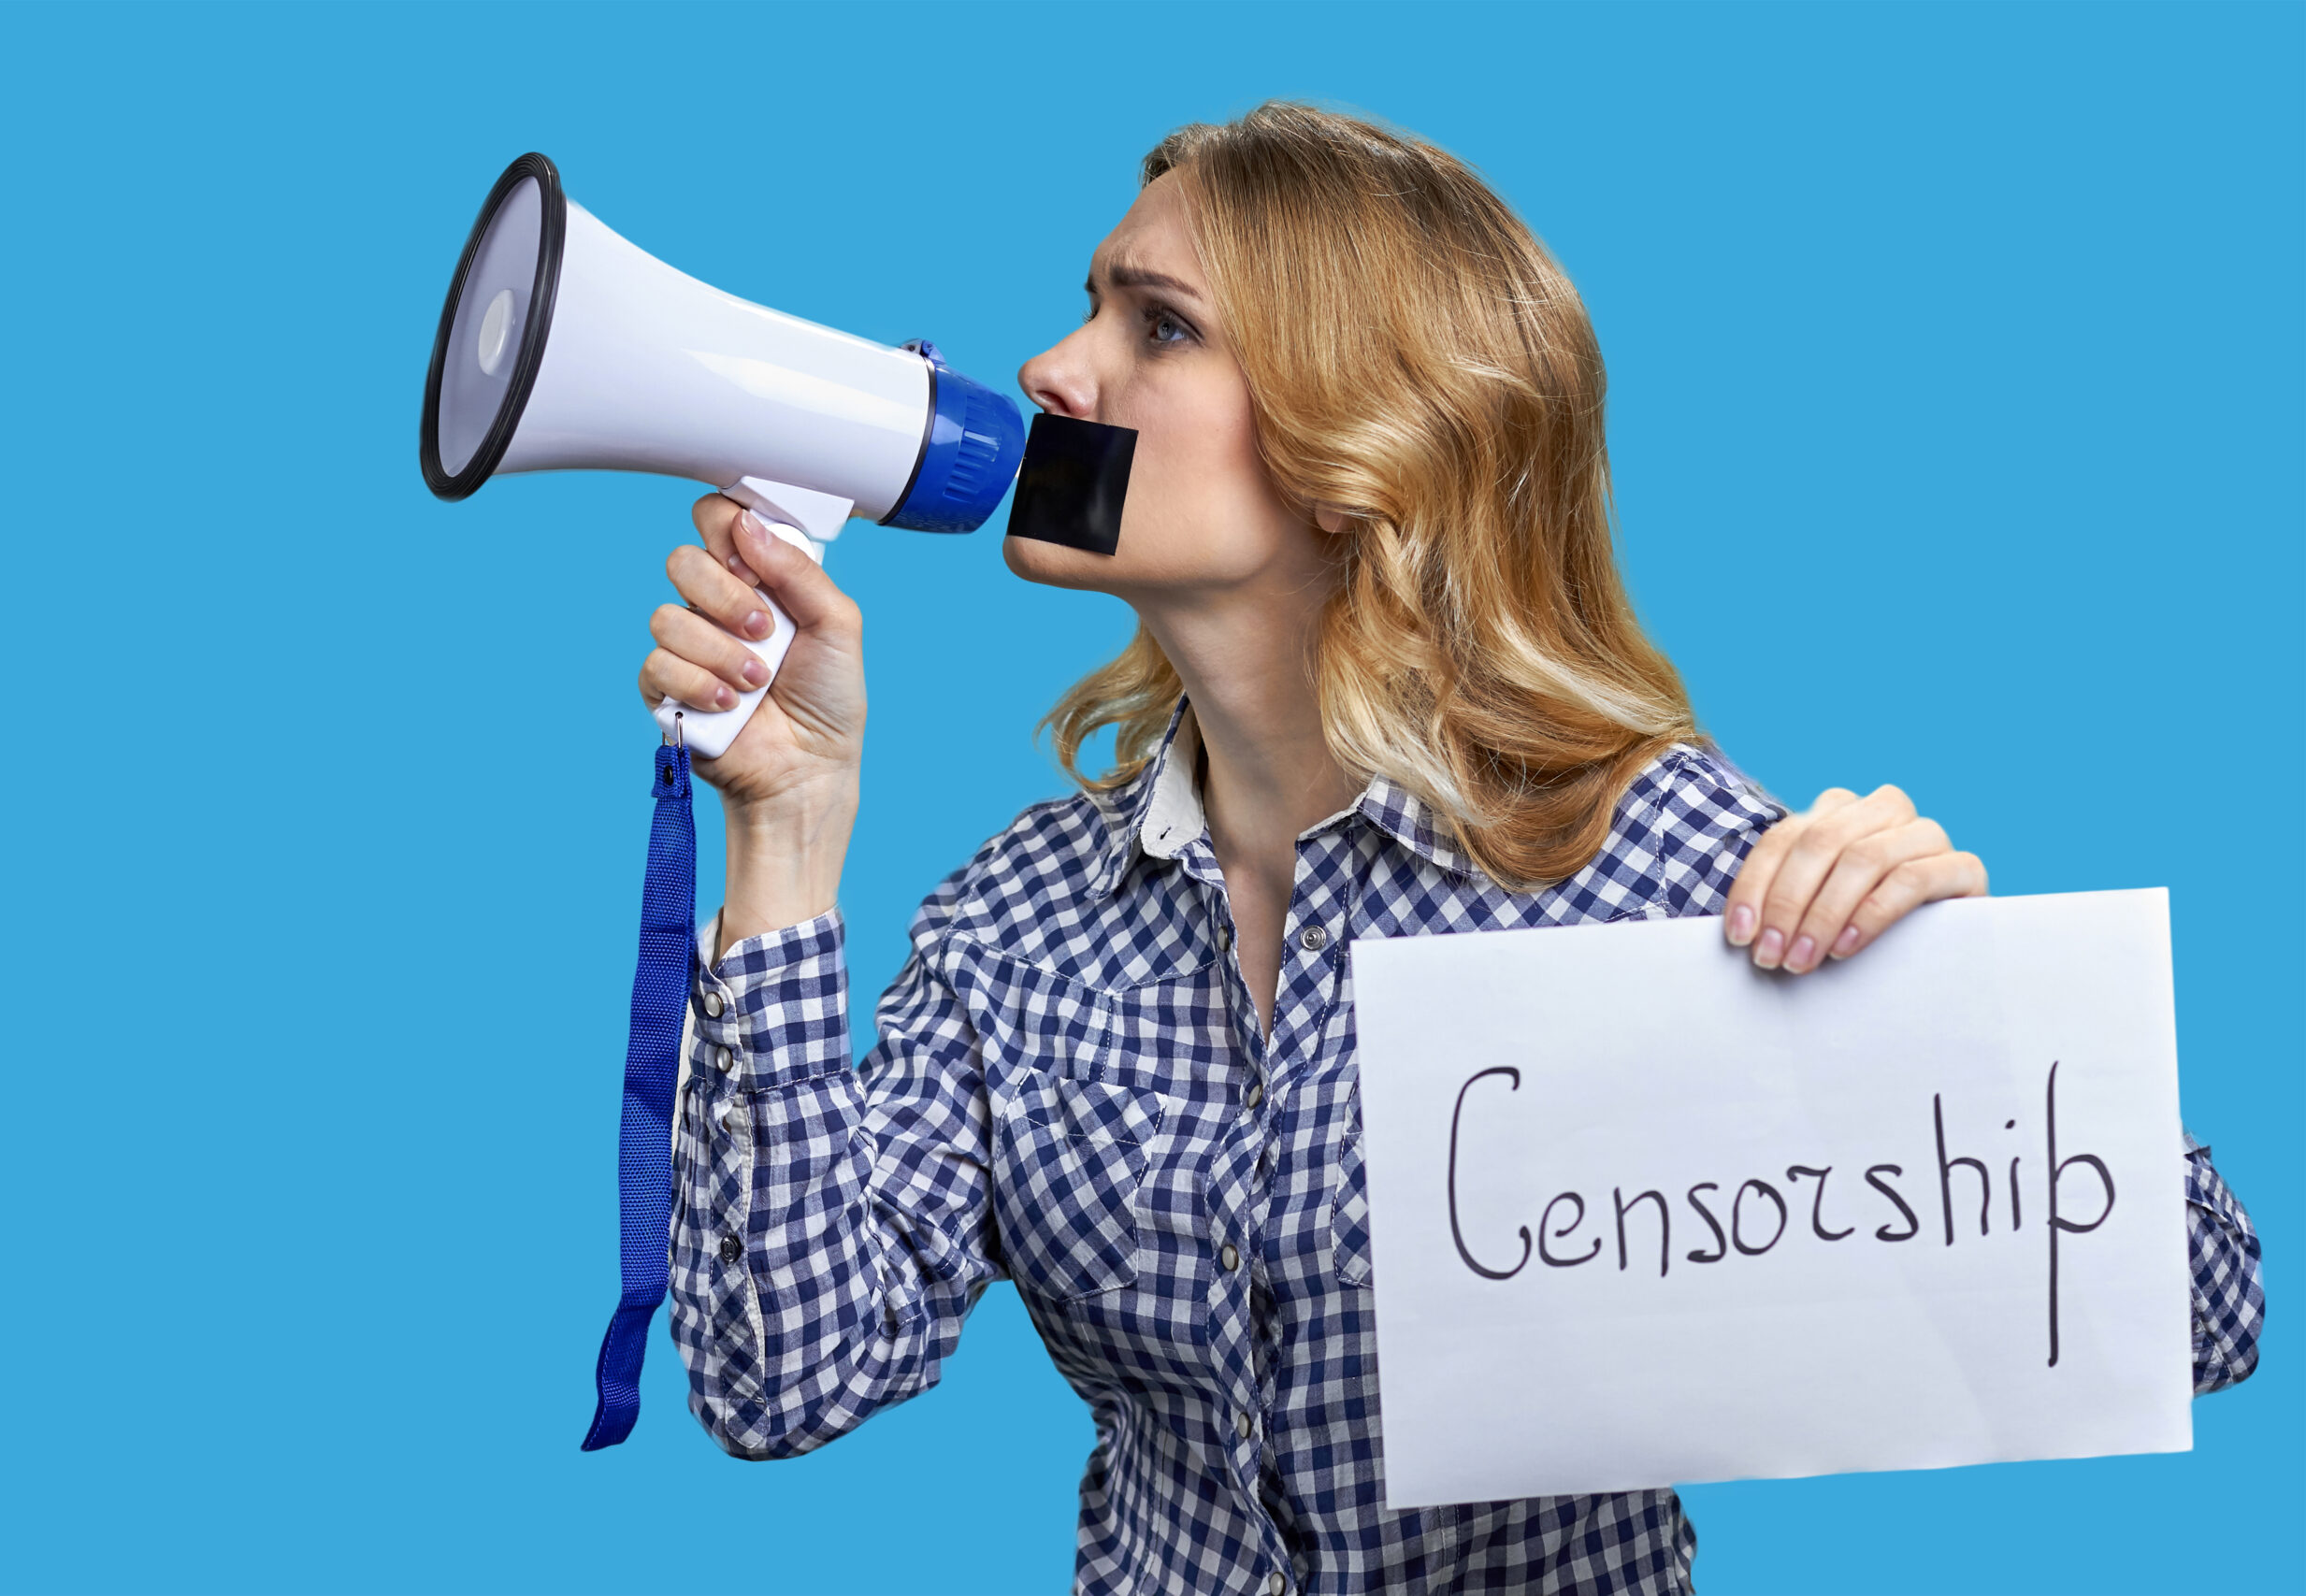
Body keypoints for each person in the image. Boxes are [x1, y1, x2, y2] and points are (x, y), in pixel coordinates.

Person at [634, 104, 2263, 1596]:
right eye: (1092, 306)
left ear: (1365, 449)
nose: (1057, 370)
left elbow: (2202, 1311)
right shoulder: (1021, 919)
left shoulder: (1642, 861)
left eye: (1162, 327)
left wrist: (1941, 996)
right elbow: (786, 1382)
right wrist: (785, 833)